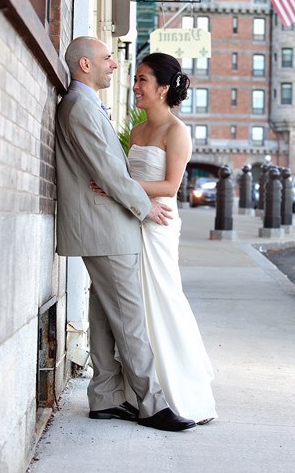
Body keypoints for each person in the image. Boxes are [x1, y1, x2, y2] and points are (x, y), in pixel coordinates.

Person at [55, 36, 196, 433]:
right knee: (130, 320)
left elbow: (124, 174)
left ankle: (104, 397)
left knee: (103, 314)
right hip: (106, 225)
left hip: (103, 224)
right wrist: (143, 206)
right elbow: (109, 170)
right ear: (85, 65)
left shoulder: (83, 104)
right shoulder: (80, 106)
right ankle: (151, 404)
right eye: (107, 58)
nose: (114, 66)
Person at [91, 52, 218, 425]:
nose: (135, 87)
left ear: (163, 88)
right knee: (134, 308)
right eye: (136, 79)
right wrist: (122, 191)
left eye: (143, 80)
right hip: (132, 219)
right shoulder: (137, 131)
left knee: (161, 298)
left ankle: (180, 390)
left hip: (158, 223)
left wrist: (118, 185)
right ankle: (140, 391)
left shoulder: (176, 132)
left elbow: (170, 186)